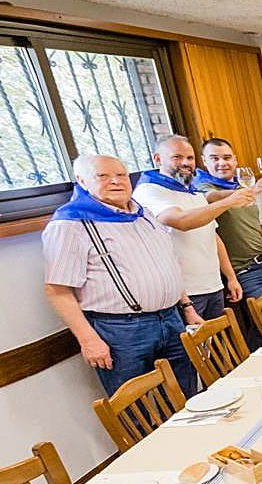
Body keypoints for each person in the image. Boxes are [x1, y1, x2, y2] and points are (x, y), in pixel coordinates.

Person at [43, 154, 201, 399]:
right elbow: (58, 290)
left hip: (171, 319)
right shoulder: (70, 224)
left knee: (188, 395)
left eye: (121, 175)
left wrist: (187, 307)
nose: (115, 181)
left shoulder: (144, 214)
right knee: (139, 409)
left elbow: (169, 263)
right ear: (82, 181)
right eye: (103, 176)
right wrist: (88, 340)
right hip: (121, 331)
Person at [134, 134, 247, 321]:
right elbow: (182, 221)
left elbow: (213, 236)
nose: (186, 163)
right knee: (194, 349)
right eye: (177, 157)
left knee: (217, 345)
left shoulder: (192, 191)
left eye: (190, 158)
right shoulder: (149, 190)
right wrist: (228, 202)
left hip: (213, 285)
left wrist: (231, 277)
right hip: (185, 293)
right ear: (158, 159)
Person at [194, 138, 262, 350]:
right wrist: (247, 190)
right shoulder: (202, 188)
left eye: (226, 158)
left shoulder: (240, 186)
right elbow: (212, 197)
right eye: (214, 158)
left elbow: (253, 222)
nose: (221, 163)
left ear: (235, 160)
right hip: (243, 270)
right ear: (205, 161)